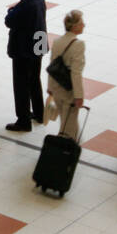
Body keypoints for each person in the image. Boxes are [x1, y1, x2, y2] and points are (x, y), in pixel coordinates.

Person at [3, 0, 47, 133]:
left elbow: (9, 21)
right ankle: (39, 113)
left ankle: (23, 120)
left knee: (21, 84)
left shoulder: (27, 4)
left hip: (24, 50)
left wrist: (11, 10)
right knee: (35, 80)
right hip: (38, 45)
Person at [47, 9, 87, 138]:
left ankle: (65, 144)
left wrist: (50, 87)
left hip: (57, 88)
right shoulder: (78, 44)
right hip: (69, 91)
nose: (84, 25)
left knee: (64, 121)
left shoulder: (57, 41)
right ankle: (67, 151)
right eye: (81, 23)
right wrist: (79, 95)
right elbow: (76, 72)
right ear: (74, 26)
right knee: (70, 124)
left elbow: (52, 65)